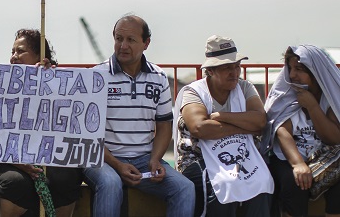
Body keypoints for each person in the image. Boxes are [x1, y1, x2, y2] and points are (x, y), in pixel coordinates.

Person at [83, 15, 194, 217]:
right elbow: (88, 134)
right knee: (110, 183)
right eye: (118, 39)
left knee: (185, 188)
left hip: (143, 159)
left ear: (146, 43)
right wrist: (117, 164)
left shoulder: (159, 77)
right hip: (103, 159)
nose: (123, 45)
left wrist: (155, 159)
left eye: (131, 40)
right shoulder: (96, 76)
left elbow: (164, 126)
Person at [0, 28, 83, 217]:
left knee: (66, 176)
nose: (14, 57)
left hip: (46, 157)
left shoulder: (56, 82)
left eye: (20, 51)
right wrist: (21, 164)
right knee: (16, 182)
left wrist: (49, 82)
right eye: (12, 52)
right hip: (6, 159)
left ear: (40, 55)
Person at [173, 35, 273, 217]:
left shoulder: (244, 87)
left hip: (241, 154)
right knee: (221, 186)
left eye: (237, 66)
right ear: (210, 71)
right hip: (197, 157)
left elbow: (260, 121)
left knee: (262, 181)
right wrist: (245, 127)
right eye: (227, 67)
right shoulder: (193, 92)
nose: (234, 73)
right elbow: (200, 128)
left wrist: (222, 116)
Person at [262, 45, 340, 217]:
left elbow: (334, 137)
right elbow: (282, 131)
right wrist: (298, 164)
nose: (292, 75)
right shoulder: (287, 95)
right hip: (289, 158)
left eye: (299, 69)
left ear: (315, 71)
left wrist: (312, 105)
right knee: (293, 181)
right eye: (290, 69)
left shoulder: (331, 98)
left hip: (325, 157)